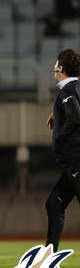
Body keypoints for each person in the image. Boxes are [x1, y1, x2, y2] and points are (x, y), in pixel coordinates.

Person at [45, 49, 80, 252]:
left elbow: (76, 116)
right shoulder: (75, 88)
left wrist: (61, 136)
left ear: (60, 68)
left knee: (55, 205)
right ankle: (49, 257)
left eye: (56, 63)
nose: (54, 66)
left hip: (77, 160)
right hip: (72, 164)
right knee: (54, 205)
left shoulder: (67, 91)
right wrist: (57, 113)